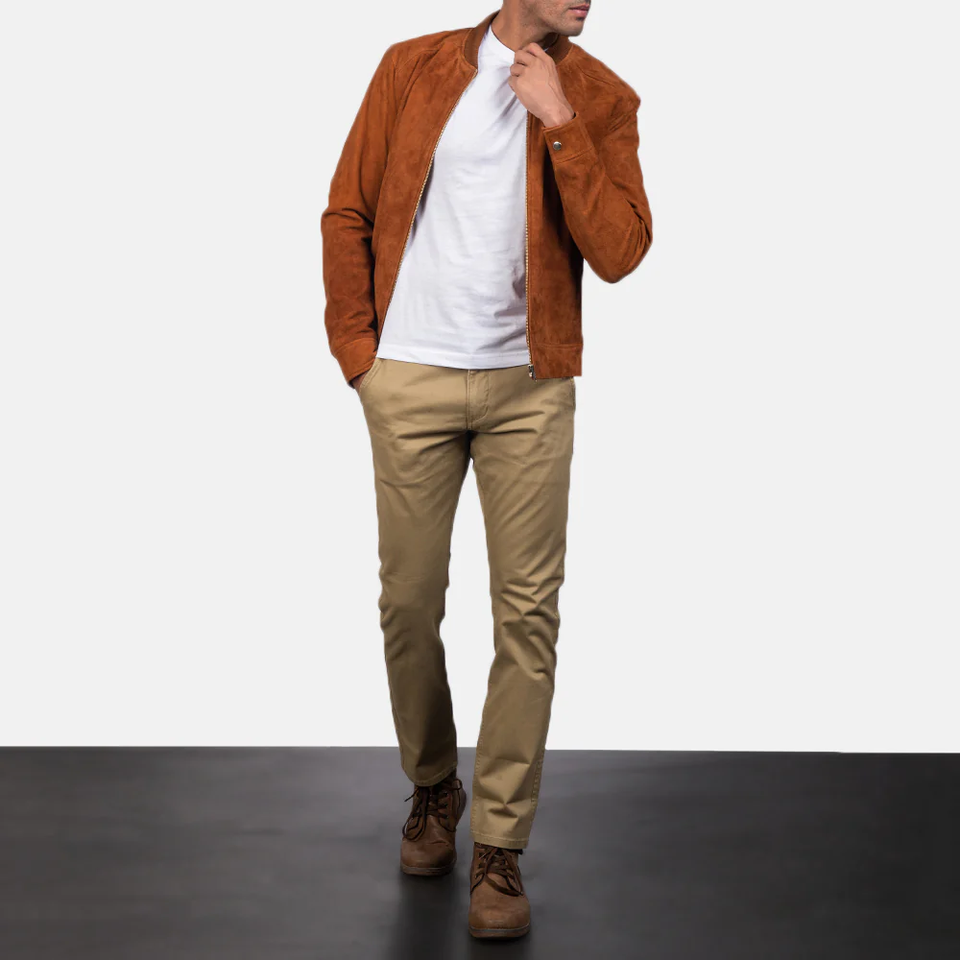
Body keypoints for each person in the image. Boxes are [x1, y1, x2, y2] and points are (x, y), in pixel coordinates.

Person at [321, 1, 652, 939]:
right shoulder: (411, 68)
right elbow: (348, 208)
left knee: (528, 615)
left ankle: (500, 848)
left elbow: (621, 251)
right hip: (410, 377)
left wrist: (561, 122)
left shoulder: (600, 97)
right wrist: (360, 356)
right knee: (407, 601)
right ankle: (434, 787)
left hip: (529, 388)